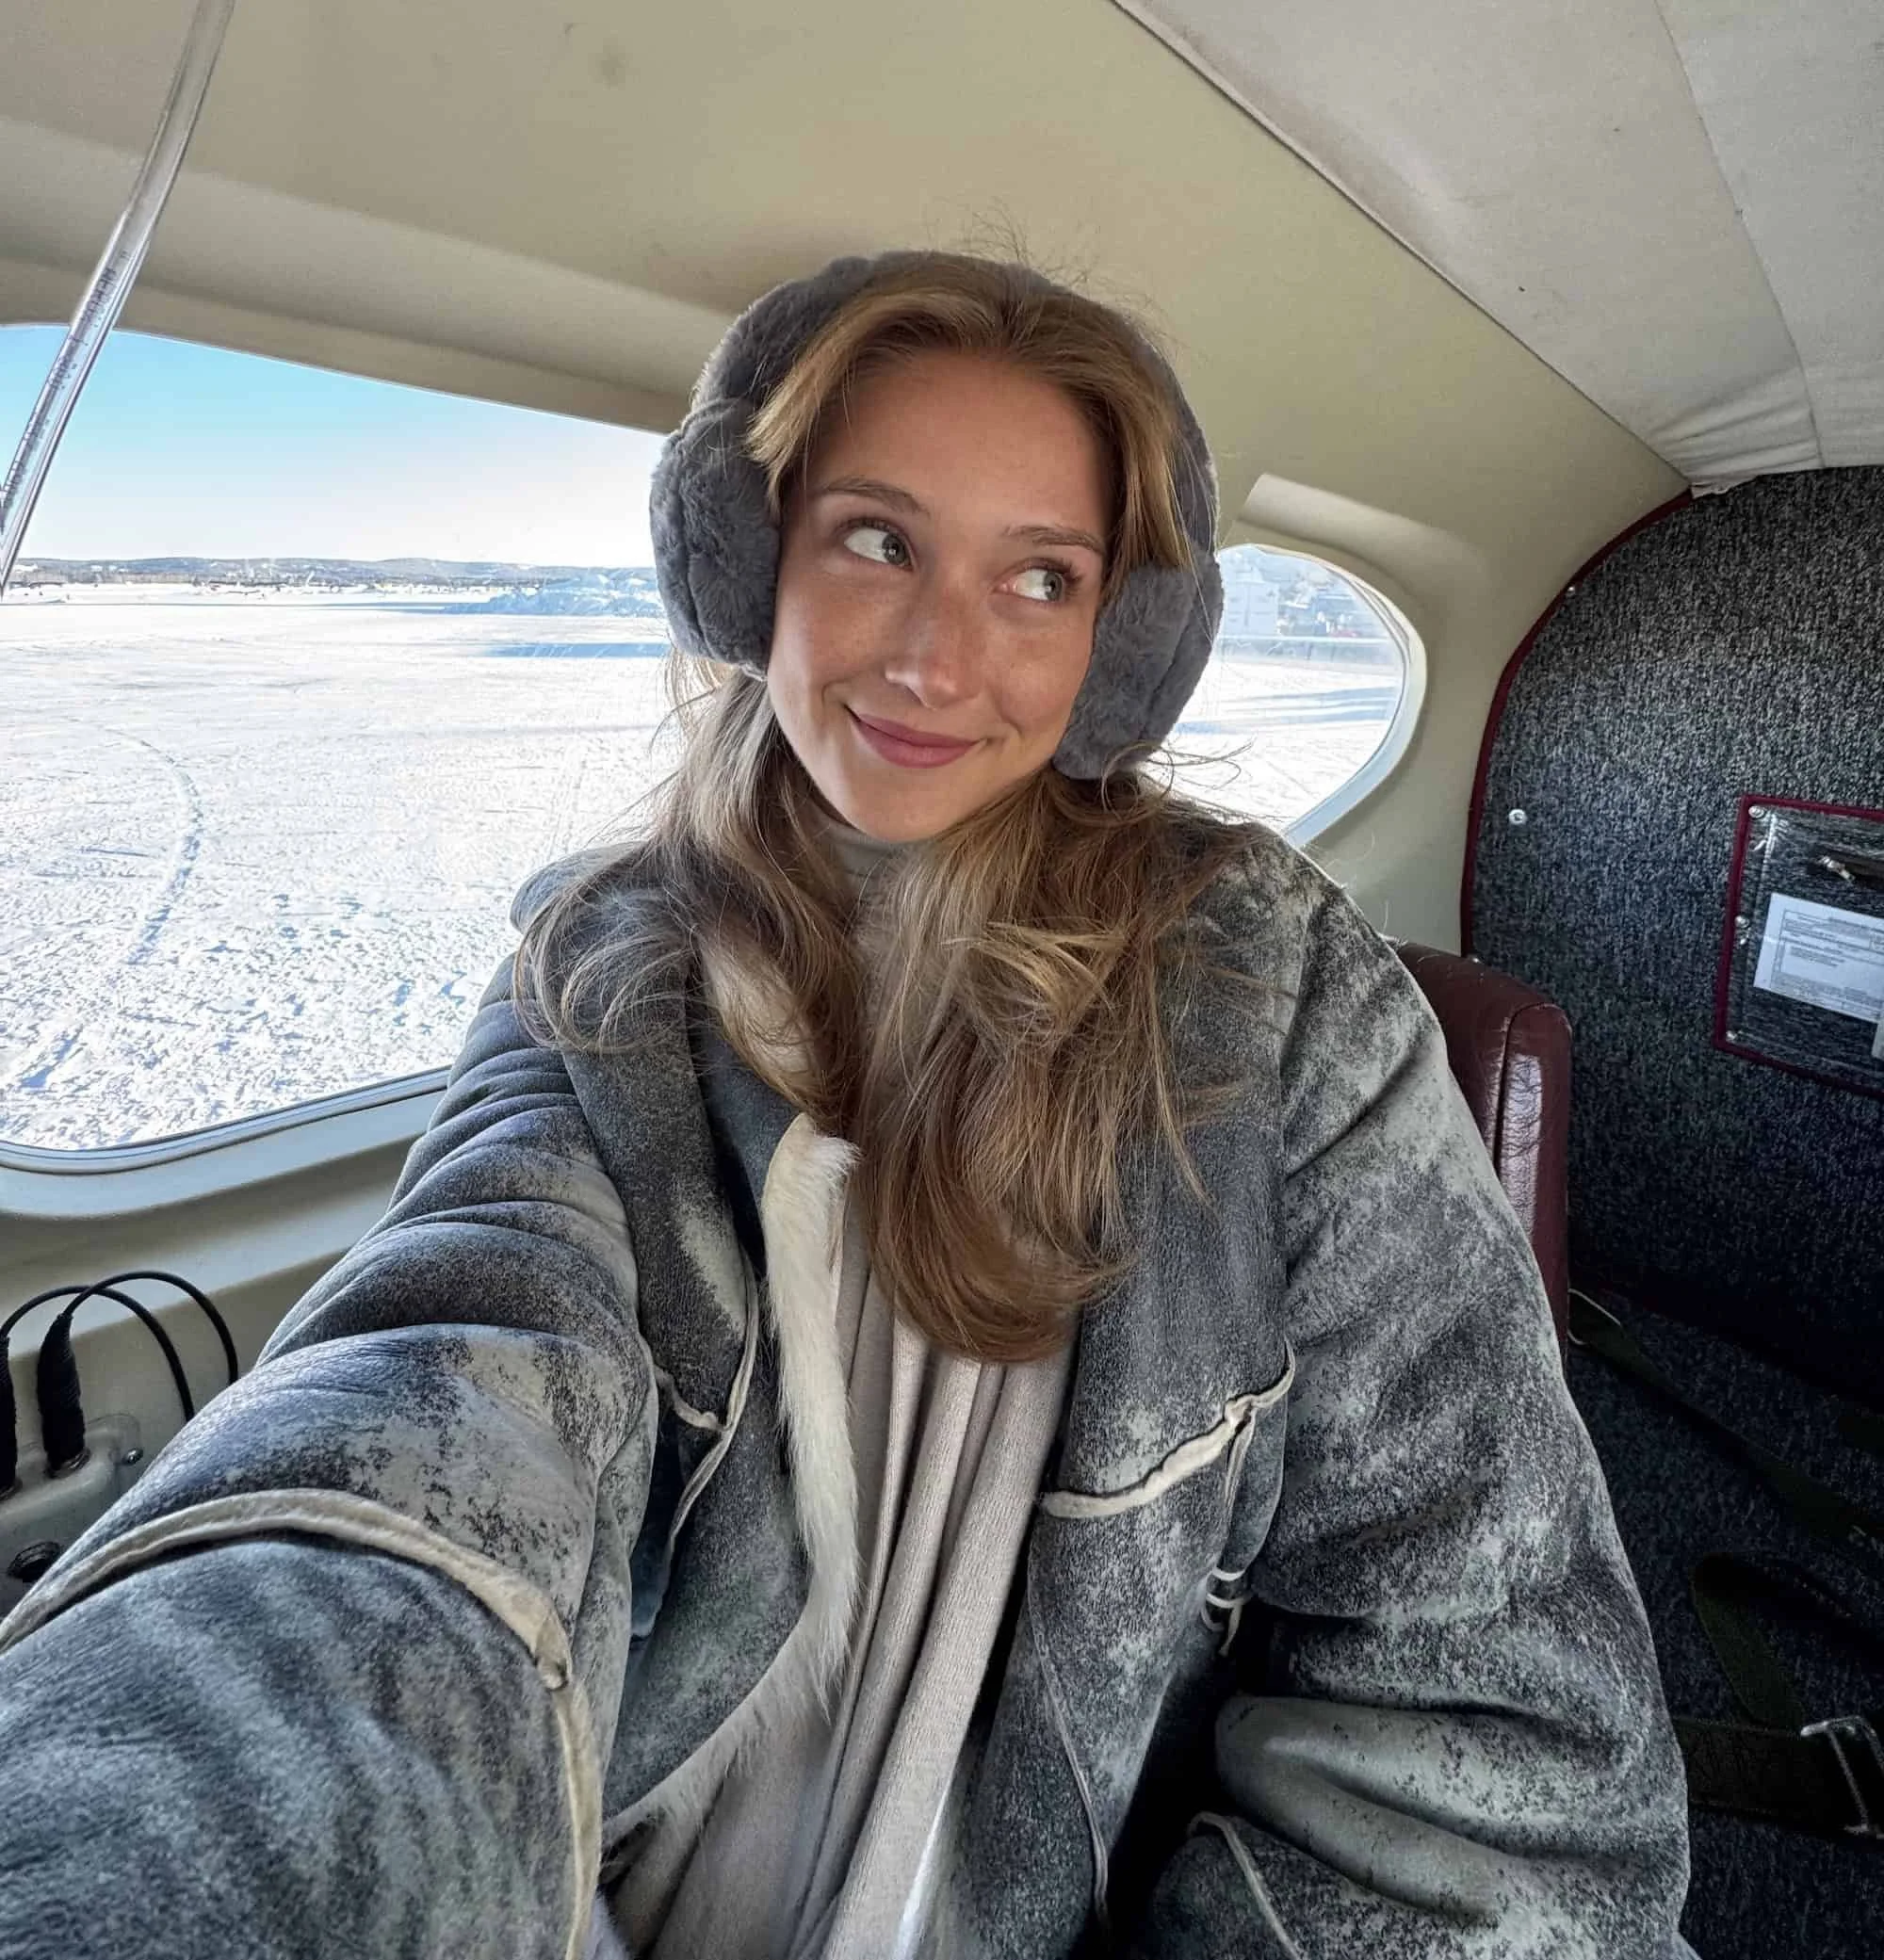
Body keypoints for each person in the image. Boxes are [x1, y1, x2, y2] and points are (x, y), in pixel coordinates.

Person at [0, 251, 1692, 1958]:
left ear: (1119, 640)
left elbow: (1492, 1726)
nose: (940, 660)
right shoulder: (604, 979)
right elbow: (440, 1388)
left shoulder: (1270, 1000)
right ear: (758, 567)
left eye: (1040, 578)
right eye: (879, 539)